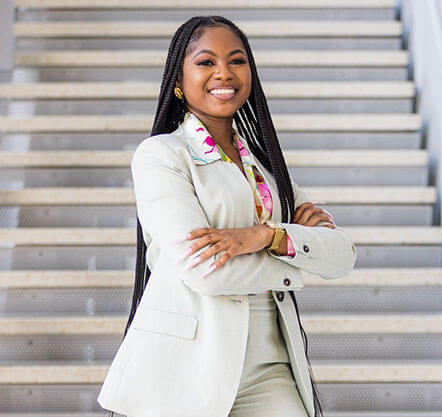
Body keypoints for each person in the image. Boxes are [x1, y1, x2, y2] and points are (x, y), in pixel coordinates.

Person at [97, 15, 357, 417]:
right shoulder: (162, 156)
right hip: (185, 370)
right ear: (178, 81)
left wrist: (265, 237)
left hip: (270, 370)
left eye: (237, 61)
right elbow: (205, 270)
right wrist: (296, 254)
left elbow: (341, 256)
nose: (224, 72)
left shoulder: (268, 170)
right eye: (206, 62)